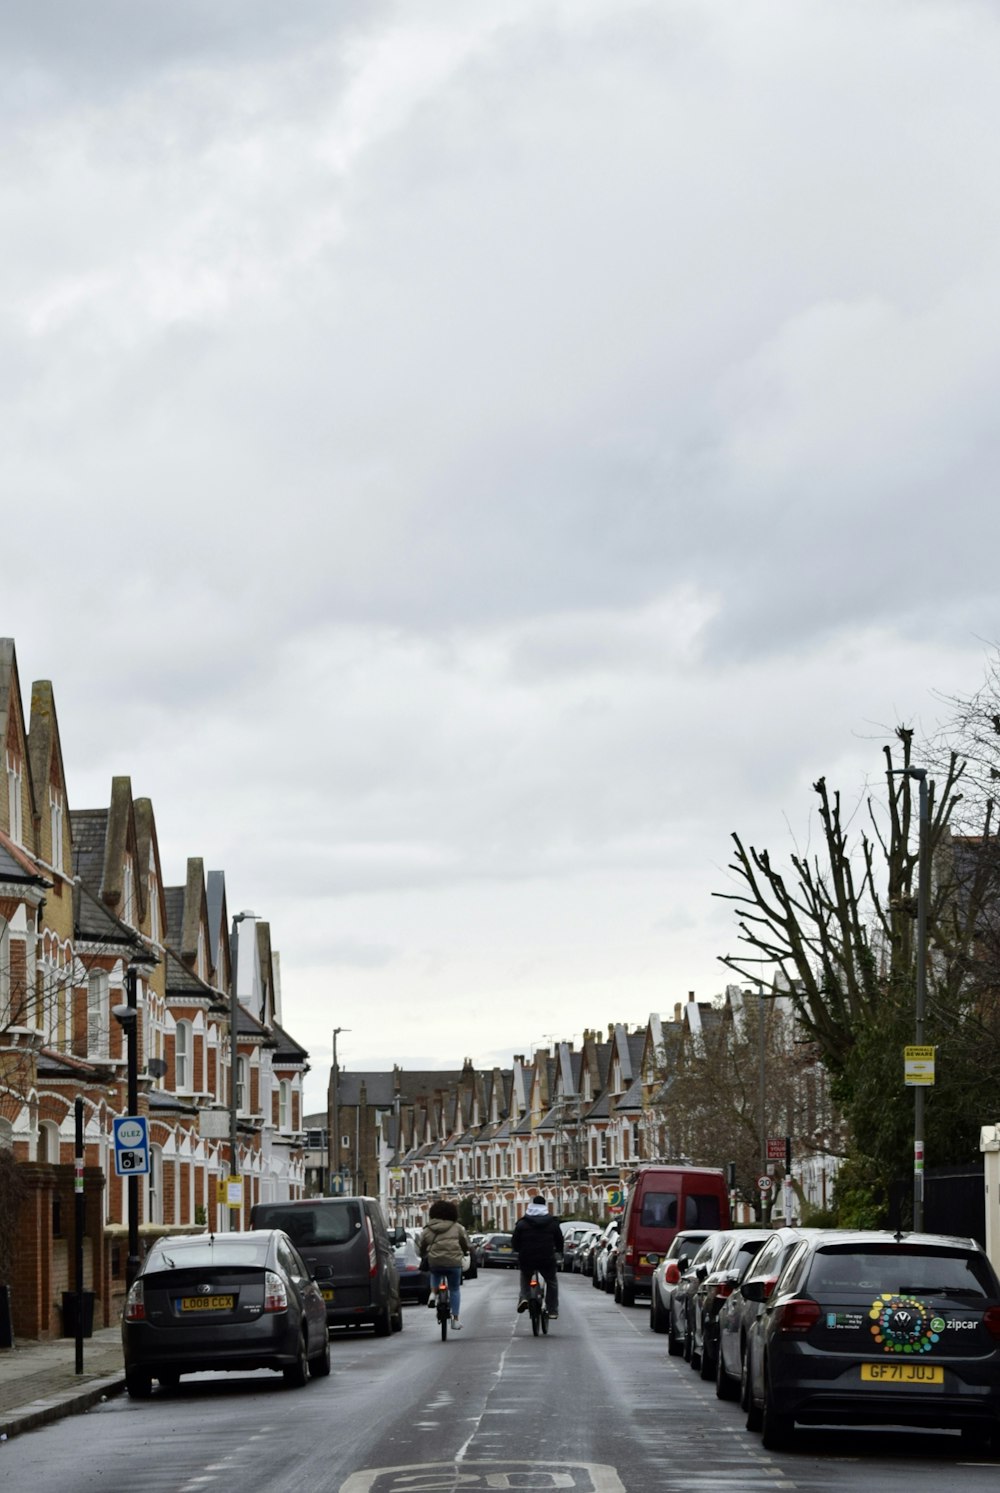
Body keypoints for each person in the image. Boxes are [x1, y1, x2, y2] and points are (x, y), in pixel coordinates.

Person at [418, 1199, 471, 1330]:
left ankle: (432, 1293)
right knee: (454, 1289)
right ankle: (455, 1320)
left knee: (435, 1272)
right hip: (453, 1262)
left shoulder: (428, 1229)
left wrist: (423, 1253)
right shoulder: (457, 1227)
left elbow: (422, 1245)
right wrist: (465, 1252)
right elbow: (464, 1243)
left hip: (435, 1261)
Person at [512, 1194, 564, 1319]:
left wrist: (517, 1250)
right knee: (551, 1281)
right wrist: (559, 1252)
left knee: (525, 1277)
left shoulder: (522, 1223)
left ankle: (524, 1297)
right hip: (546, 1258)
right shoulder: (552, 1223)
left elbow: (515, 1242)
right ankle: (552, 1310)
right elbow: (559, 1241)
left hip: (527, 1258)